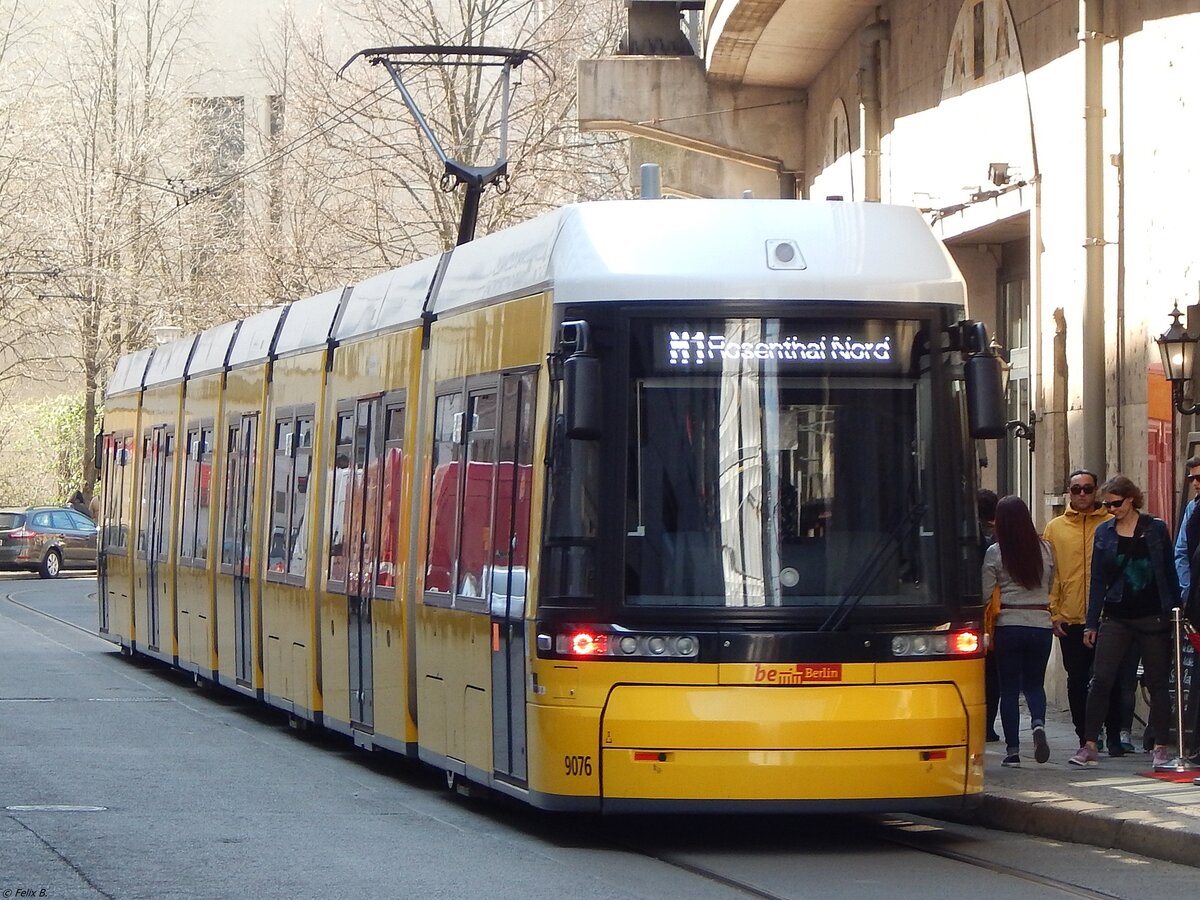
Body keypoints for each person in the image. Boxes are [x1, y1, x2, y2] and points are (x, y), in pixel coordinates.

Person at [1070, 476, 1179, 768]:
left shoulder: (1155, 529)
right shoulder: (1104, 532)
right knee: (1101, 679)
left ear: (1131, 500)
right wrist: (1091, 623)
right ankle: (1090, 744)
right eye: (1106, 504)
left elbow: (1168, 570)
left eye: (1116, 504)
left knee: (1157, 682)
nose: (1111, 509)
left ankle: (1160, 747)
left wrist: (1176, 612)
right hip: (1117, 614)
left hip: (1154, 615)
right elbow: (1098, 580)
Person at [981, 495, 1055, 767]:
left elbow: (985, 593)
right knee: (1035, 684)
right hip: (1040, 623)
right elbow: (1051, 583)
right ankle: (1038, 724)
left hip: (1008, 626)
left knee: (1009, 689)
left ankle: (1012, 752)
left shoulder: (995, 552)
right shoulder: (1046, 549)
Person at [1043, 469, 1110, 748]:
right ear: (1069, 492)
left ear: (1096, 491)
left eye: (1088, 488)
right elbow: (1050, 574)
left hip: (1107, 615)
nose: (1082, 494)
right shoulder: (1055, 528)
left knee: (1107, 677)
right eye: (1076, 489)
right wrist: (1053, 612)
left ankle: (1111, 732)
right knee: (1078, 678)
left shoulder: (1109, 523)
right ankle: (1084, 734)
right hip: (1070, 616)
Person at [977, 489, 1000, 742]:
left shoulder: (966, 531)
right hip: (995, 612)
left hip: (971, 608)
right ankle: (989, 725)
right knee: (993, 674)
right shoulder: (1000, 536)